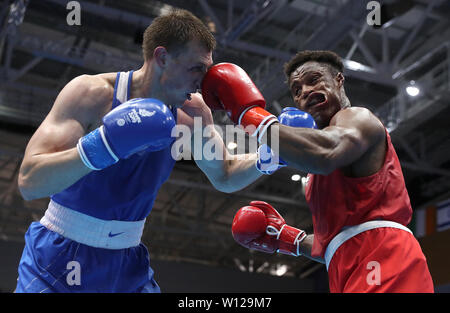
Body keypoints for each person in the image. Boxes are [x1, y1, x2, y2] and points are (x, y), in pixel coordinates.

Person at [15, 9, 265, 293]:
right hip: (58, 258)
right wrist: (103, 145)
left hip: (127, 263)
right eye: (196, 68)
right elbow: (29, 181)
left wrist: (271, 156)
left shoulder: (193, 112)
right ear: (162, 57)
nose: (202, 82)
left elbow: (226, 174)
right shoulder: (92, 94)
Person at [202, 51, 434, 292]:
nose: (305, 91)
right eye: (297, 90)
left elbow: (326, 153)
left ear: (339, 80)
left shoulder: (358, 119)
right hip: (348, 266)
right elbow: (339, 243)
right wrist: (288, 238)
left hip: (385, 257)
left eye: (314, 79)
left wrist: (247, 115)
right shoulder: (315, 173)